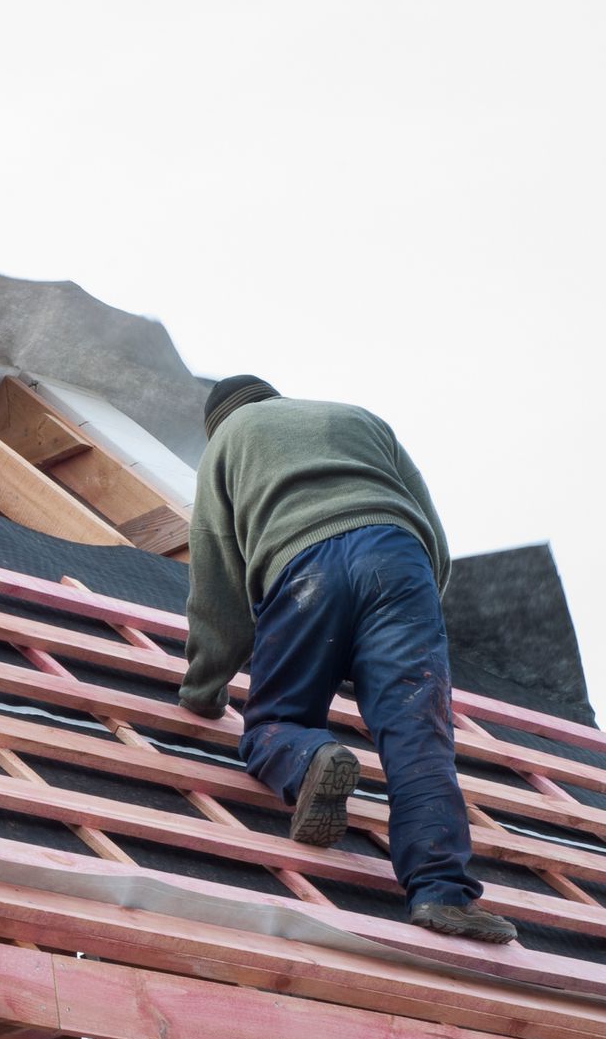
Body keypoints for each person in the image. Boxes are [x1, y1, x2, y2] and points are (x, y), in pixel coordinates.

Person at [179, 375, 515, 943]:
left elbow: (217, 583)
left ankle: (311, 760)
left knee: (274, 723)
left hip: (304, 568)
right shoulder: (355, 416)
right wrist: (389, 646)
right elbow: (430, 527)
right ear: (275, 396)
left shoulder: (226, 443)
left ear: (218, 420)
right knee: (418, 734)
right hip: (400, 560)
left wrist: (203, 689)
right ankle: (441, 893)